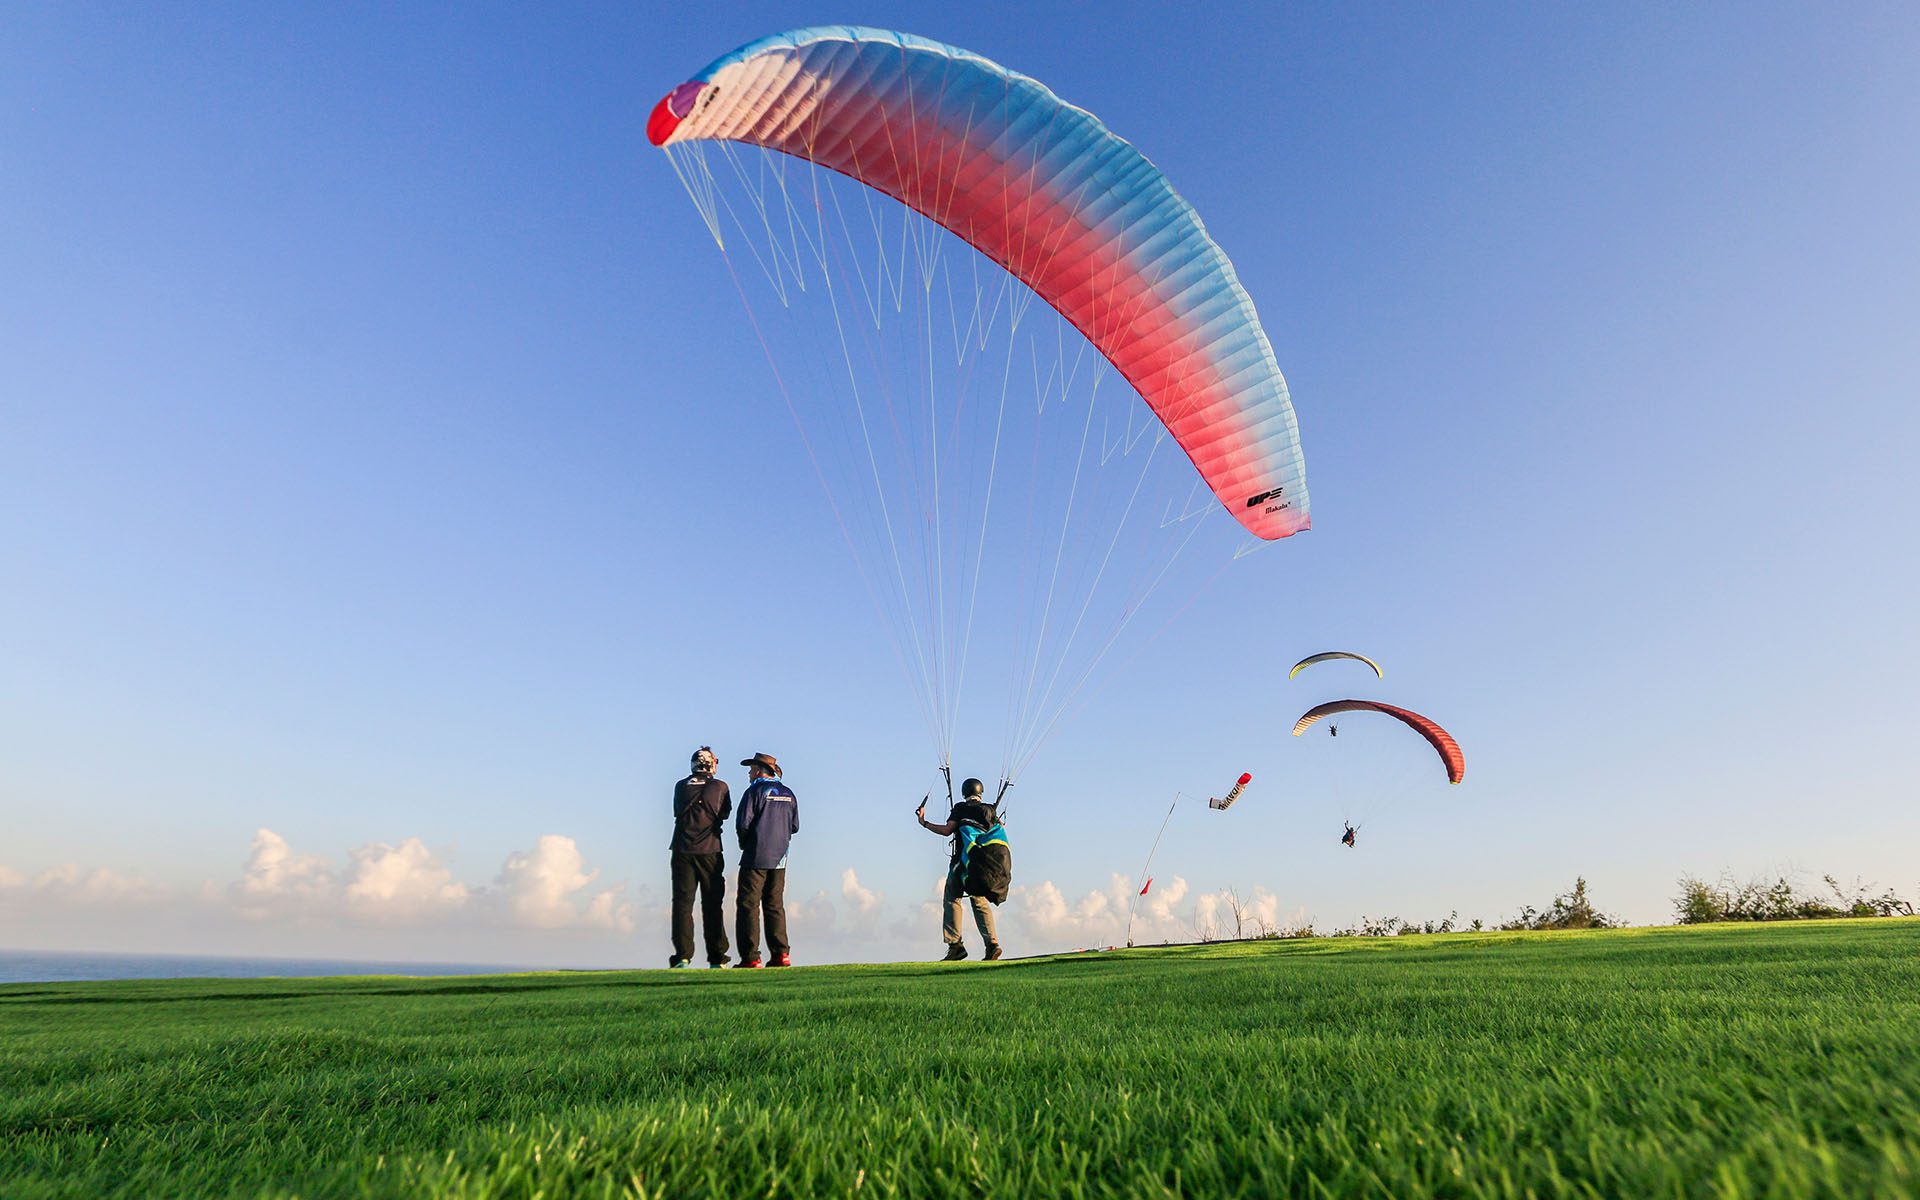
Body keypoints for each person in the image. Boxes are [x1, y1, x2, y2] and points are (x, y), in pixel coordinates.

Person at [916, 777, 1002, 962]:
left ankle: (955, 946)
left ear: (965, 793)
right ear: (980, 792)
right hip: (980, 867)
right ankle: (992, 944)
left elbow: (947, 830)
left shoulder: (961, 808)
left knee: (952, 897)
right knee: (979, 900)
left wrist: (924, 823)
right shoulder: (989, 810)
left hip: (961, 864)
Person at [669, 746, 732, 969]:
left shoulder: (680, 786)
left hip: (682, 849)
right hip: (710, 850)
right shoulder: (720, 786)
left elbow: (677, 810)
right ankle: (717, 957)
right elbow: (724, 813)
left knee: (682, 904)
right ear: (712, 764)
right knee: (713, 904)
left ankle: (683, 956)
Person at [734, 751, 798, 968]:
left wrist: (745, 844)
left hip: (755, 856)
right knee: (775, 905)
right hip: (780, 858)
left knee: (748, 905)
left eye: (751, 769)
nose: (749, 773)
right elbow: (795, 826)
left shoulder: (754, 791)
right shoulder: (789, 793)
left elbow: (743, 823)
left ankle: (751, 957)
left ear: (760, 770)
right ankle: (781, 954)